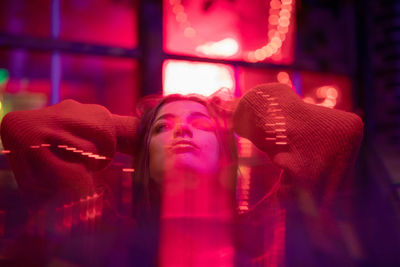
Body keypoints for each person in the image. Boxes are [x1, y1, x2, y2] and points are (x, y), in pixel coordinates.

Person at [0, 83, 364, 266]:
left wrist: (236, 114)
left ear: (227, 153)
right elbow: (27, 129)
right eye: (164, 129)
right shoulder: (102, 234)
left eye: (200, 125)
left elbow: (336, 131)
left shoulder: (267, 234)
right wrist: (141, 131)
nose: (181, 132)